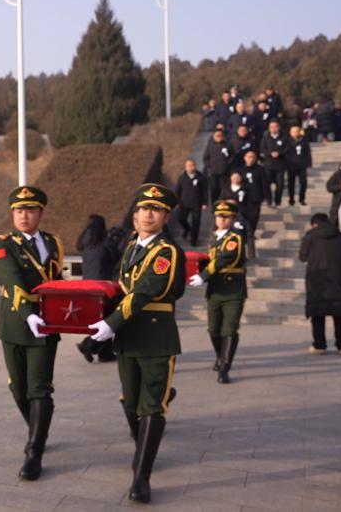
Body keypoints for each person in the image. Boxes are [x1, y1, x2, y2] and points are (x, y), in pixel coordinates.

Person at [88, 183, 185, 503]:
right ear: (134, 216)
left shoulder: (166, 252)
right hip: (129, 337)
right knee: (130, 401)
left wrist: (111, 323)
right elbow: (123, 288)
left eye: (156, 210)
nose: (148, 214)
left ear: (166, 218)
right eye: (143, 209)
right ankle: (142, 442)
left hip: (156, 338)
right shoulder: (132, 246)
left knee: (152, 406)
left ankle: (141, 475)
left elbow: (144, 291)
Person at [0, 185, 64, 480]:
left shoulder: (53, 242)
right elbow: (11, 280)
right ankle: (37, 428)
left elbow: (57, 281)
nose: (24, 216)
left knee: (39, 388)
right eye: (19, 210)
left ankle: (34, 451)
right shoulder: (2, 244)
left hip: (47, 323)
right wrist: (28, 314)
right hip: (16, 323)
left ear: (40, 213)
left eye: (30, 210)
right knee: (19, 388)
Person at [188, 200, 246, 384]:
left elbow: (224, 259)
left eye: (226, 217)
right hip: (215, 289)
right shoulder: (215, 237)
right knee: (213, 329)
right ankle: (221, 356)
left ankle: (224, 367)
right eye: (219, 216)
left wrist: (203, 275)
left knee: (229, 329)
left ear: (233, 218)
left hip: (232, 290)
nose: (222, 219)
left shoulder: (234, 238)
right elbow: (211, 259)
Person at [298, 213, 341, 354]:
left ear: (314, 224)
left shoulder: (310, 237)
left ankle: (320, 345)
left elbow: (302, 257)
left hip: (318, 279)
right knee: (339, 315)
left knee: (317, 314)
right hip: (339, 279)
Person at [75, 214, 123, 363]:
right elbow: (117, 258)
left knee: (101, 317)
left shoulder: (84, 241)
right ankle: (88, 345)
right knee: (108, 317)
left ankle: (105, 352)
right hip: (103, 285)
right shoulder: (105, 241)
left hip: (87, 285)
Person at [174, 159, 208, 246]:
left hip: (196, 203)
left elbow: (205, 191)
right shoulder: (182, 178)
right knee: (181, 219)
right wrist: (176, 201)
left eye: (192, 165)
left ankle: (194, 241)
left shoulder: (201, 177)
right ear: (185, 167)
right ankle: (187, 229)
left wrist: (205, 202)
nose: (191, 167)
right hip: (184, 203)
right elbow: (178, 190)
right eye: (189, 166)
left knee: (196, 222)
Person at [259, 120, 289, 207]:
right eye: (271, 127)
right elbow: (262, 149)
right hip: (268, 164)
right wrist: (270, 153)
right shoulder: (265, 138)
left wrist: (279, 153)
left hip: (280, 165)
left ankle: (277, 200)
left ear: (278, 127)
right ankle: (269, 199)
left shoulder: (284, 138)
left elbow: (287, 148)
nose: (273, 128)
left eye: (275, 126)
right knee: (267, 183)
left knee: (280, 184)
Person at [202, 126, 234, 204]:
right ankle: (215, 205)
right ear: (214, 136)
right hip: (213, 173)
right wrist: (210, 166)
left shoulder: (228, 145)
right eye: (217, 136)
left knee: (224, 190)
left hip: (224, 173)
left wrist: (227, 164)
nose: (219, 137)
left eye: (220, 135)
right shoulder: (210, 146)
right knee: (214, 190)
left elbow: (232, 156)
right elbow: (205, 158)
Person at [285, 126, 312, 206]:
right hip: (291, 165)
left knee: (303, 183)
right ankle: (291, 199)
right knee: (291, 183)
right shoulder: (287, 141)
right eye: (293, 132)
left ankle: (302, 199)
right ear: (290, 133)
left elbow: (308, 152)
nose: (295, 133)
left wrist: (309, 162)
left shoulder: (304, 141)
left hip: (302, 165)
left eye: (296, 131)